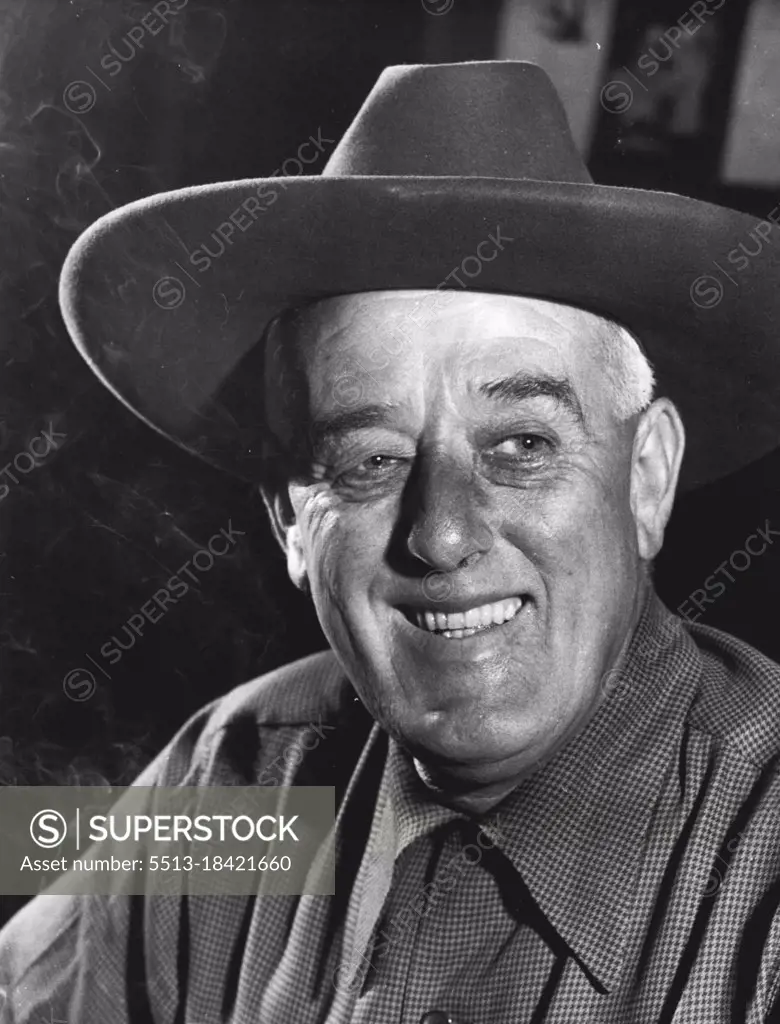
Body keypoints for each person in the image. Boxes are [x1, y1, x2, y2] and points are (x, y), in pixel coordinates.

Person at [3, 59, 780, 1023]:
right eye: (369, 461)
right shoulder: (236, 778)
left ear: (647, 475)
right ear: (290, 520)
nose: (443, 534)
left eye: (523, 445)